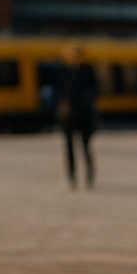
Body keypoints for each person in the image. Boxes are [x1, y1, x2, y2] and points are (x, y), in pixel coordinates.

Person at [56, 42, 98, 188]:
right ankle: (72, 177)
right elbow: (58, 92)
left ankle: (89, 176)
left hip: (83, 115)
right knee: (69, 148)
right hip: (68, 117)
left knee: (86, 146)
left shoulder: (87, 71)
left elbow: (94, 90)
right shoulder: (63, 72)